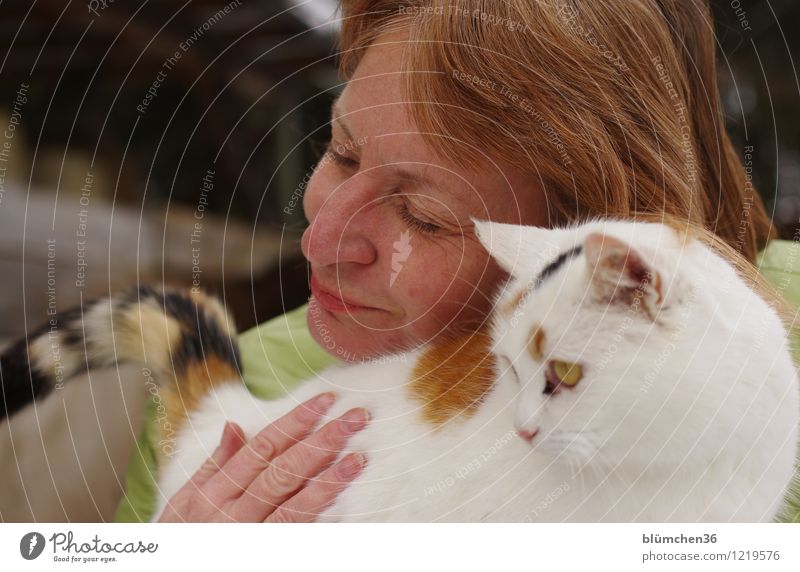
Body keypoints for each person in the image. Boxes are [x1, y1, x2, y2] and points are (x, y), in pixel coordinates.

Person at [118, 0, 781, 522]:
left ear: (576, 241)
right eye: (341, 150)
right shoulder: (241, 394)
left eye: (425, 218)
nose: (316, 241)